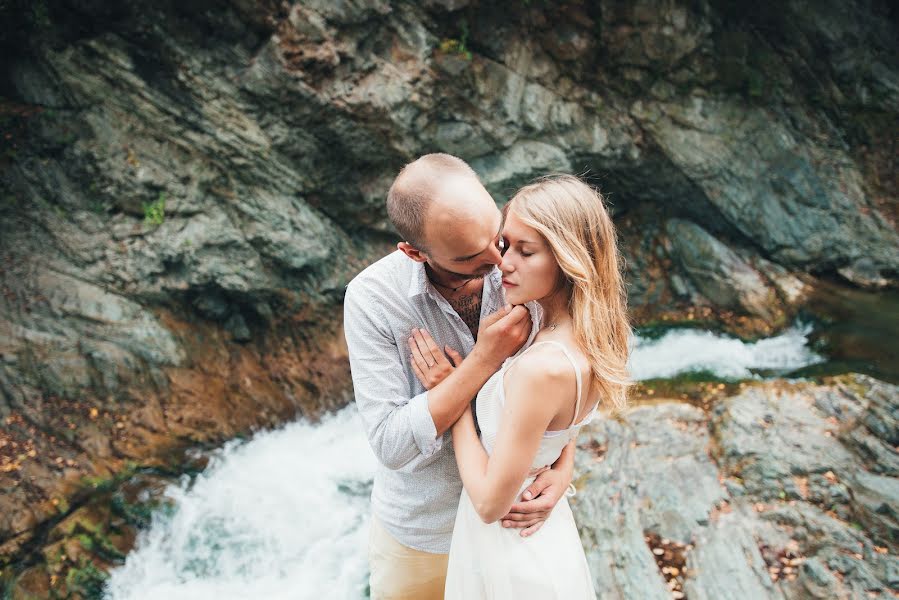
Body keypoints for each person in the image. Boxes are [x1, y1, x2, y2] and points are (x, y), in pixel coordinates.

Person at [343, 154, 576, 599]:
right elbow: (391, 444)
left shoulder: (526, 256)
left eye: (497, 238)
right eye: (471, 257)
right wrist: (484, 361)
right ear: (414, 252)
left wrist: (565, 465)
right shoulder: (373, 299)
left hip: (514, 520)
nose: (499, 261)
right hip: (427, 534)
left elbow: (567, 369)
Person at [408, 174, 633, 598]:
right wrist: (563, 465)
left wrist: (452, 397)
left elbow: (491, 503)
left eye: (525, 251)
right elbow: (558, 426)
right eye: (506, 244)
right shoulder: (593, 335)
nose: (502, 263)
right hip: (542, 536)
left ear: (570, 258)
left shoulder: (542, 366)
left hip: (511, 555)